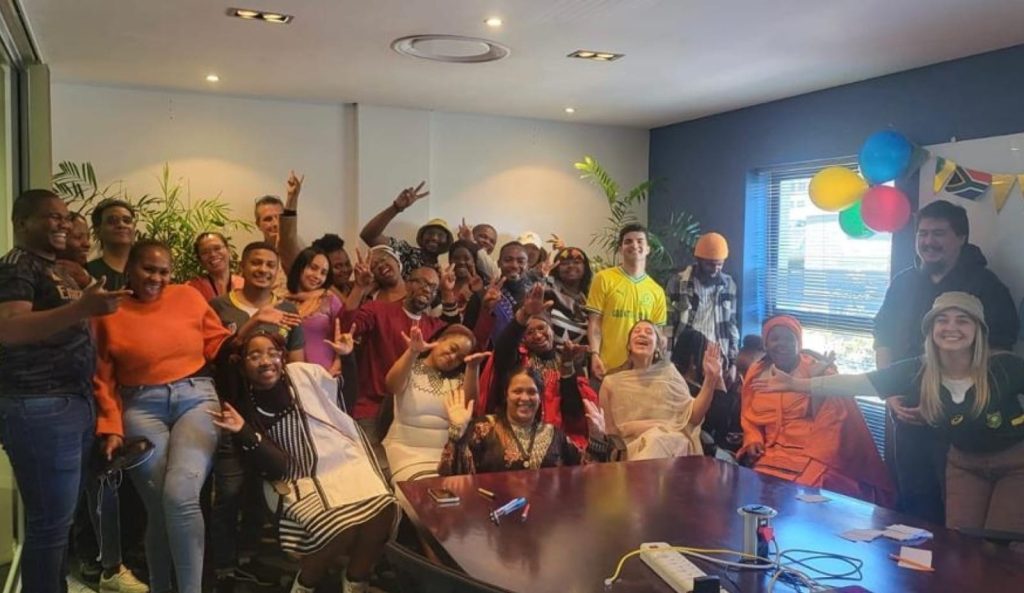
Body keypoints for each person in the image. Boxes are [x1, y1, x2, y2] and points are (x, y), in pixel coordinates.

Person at [755, 293, 1024, 533]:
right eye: (942, 320)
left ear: (978, 330)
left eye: (962, 321)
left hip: (1014, 465)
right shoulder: (918, 369)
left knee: (1002, 547)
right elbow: (859, 383)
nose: (951, 327)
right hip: (963, 463)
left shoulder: (1005, 367)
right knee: (963, 543)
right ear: (931, 330)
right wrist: (797, 384)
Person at [0, 189, 131, 593]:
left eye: (65, 216)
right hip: (39, 403)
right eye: (51, 217)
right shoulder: (17, 266)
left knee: (59, 522)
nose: (62, 223)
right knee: (49, 525)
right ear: (22, 223)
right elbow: (9, 329)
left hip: (74, 401)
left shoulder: (57, 268)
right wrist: (81, 309)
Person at [92, 239, 233, 593]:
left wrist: (254, 328)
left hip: (196, 398)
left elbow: (218, 342)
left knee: (179, 495)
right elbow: (102, 378)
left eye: (164, 271)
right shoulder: (107, 311)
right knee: (158, 506)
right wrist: (111, 427)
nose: (156, 278)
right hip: (140, 405)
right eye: (148, 269)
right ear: (130, 269)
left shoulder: (188, 296)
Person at [212, 332, 397, 593]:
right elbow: (278, 468)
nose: (266, 361)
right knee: (339, 527)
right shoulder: (244, 407)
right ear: (242, 364)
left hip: (341, 461)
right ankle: (304, 585)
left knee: (384, 510)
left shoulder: (304, 375)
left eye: (272, 353)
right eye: (255, 356)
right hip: (294, 479)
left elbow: (343, 403)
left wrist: (348, 358)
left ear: (282, 357)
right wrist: (245, 431)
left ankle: (355, 580)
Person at [873, 200, 1018, 522]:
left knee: (955, 518)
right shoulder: (903, 283)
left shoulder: (987, 287)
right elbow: (882, 336)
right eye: (922, 233)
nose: (928, 242)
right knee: (913, 507)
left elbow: (997, 357)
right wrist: (890, 393)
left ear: (961, 237)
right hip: (907, 414)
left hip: (961, 424)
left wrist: (943, 404)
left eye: (938, 233)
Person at [209, 241, 305, 588]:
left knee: (257, 491)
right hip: (229, 412)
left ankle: (248, 558)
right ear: (242, 267)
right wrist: (256, 321)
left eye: (270, 265)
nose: (263, 270)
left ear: (277, 271)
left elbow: (296, 366)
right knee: (229, 491)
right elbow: (215, 354)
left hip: (270, 420)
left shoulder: (289, 309)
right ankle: (222, 565)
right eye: (256, 263)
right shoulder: (219, 306)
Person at [739, 315, 895, 506]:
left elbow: (830, 421)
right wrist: (753, 438)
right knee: (754, 492)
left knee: (808, 493)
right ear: (766, 343)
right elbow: (748, 415)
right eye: (775, 339)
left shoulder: (817, 369)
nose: (782, 344)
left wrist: (817, 381)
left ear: (799, 342)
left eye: (789, 338)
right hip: (769, 451)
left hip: (811, 451)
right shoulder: (756, 372)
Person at [343, 266, 453, 470]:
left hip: (410, 414)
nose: (427, 289)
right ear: (407, 284)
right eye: (421, 282)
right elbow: (346, 329)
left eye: (433, 287)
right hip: (371, 407)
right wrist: (358, 288)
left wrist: (447, 292)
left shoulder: (433, 326)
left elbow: (459, 335)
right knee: (373, 469)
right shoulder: (378, 310)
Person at [476, 284, 597, 448]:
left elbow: (574, 416)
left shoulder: (567, 359)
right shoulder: (518, 359)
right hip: (516, 437)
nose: (538, 335)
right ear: (522, 338)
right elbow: (504, 348)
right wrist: (524, 315)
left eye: (541, 328)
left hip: (558, 442)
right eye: (529, 332)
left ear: (552, 329)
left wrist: (568, 367)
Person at [439, 366, 605, 475]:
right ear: (506, 395)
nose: (524, 398)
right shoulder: (483, 428)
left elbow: (586, 476)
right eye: (517, 391)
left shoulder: (554, 434)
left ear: (540, 398)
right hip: (493, 512)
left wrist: (596, 439)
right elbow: (452, 475)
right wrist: (456, 433)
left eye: (532, 392)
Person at [593, 321, 721, 460]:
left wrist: (710, 379)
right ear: (629, 345)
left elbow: (693, 417)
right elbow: (609, 432)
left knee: (660, 440)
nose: (642, 334)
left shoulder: (669, 374)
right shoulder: (611, 383)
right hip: (630, 451)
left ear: (657, 347)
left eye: (649, 332)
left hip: (672, 446)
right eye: (637, 331)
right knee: (655, 440)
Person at [382, 325, 487, 484]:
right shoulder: (410, 366)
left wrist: (472, 368)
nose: (453, 357)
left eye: (460, 358)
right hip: (404, 451)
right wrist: (412, 352)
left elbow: (469, 407)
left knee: (460, 490)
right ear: (440, 340)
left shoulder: (460, 380)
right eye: (452, 348)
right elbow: (392, 386)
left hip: (444, 457)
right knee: (426, 489)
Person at [586, 223, 668, 379]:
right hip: (607, 368)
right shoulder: (603, 278)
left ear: (648, 249)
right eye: (628, 241)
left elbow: (658, 335)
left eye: (640, 241)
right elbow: (594, 323)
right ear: (620, 248)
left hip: (642, 374)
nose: (634, 245)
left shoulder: (657, 291)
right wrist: (594, 354)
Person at [667, 232, 740, 378]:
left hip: (717, 356)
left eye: (720, 264)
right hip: (685, 355)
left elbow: (731, 324)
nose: (715, 269)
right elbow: (668, 324)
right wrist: (667, 360)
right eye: (710, 264)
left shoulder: (729, 284)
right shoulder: (678, 282)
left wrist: (733, 362)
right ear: (698, 260)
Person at [359, 181, 454, 276]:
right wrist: (396, 208)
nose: (434, 238)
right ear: (422, 237)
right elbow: (369, 236)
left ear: (447, 242)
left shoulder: (443, 273)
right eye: (430, 233)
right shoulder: (405, 252)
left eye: (440, 235)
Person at [287, 247, 344, 376]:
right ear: (300, 267)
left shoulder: (330, 300)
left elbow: (344, 339)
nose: (317, 276)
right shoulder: (283, 300)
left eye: (323, 273)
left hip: (325, 376)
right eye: (313, 268)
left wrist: (333, 371)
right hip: (291, 376)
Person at [463, 241, 533, 345]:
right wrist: (486, 309)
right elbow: (466, 335)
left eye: (521, 261)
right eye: (508, 260)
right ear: (499, 263)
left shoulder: (534, 297)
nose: (514, 265)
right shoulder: (482, 294)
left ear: (527, 266)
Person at [253, 170, 304, 297]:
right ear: (258, 224)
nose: (275, 223)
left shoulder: (297, 251)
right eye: (268, 219)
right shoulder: (254, 257)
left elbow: (288, 236)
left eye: (279, 218)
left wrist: (292, 198)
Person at [544, 246, 593, 345]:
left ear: (585, 268)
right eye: (564, 263)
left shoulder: (592, 294)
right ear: (557, 268)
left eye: (577, 262)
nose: (570, 266)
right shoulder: (548, 290)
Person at [87, 198, 136, 290]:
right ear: (97, 230)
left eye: (127, 221)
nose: (121, 225)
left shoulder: (146, 270)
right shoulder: (87, 272)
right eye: (112, 221)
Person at [186, 232, 244, 301]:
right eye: (205, 252)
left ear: (229, 250)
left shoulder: (245, 285)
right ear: (200, 259)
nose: (213, 254)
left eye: (217, 248)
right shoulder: (192, 288)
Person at [444, 240, 484, 319]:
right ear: (450, 261)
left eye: (466, 258)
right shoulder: (442, 284)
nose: (461, 262)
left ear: (474, 261)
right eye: (456, 258)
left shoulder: (482, 286)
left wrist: (479, 292)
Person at [56, 211, 93, 289]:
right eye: (78, 237)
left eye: (88, 237)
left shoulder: (89, 273)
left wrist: (87, 282)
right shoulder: (38, 273)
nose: (87, 244)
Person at [311, 233, 354, 300]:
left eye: (347, 264)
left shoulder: (352, 287)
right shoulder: (318, 295)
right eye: (337, 266)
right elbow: (347, 306)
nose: (345, 270)